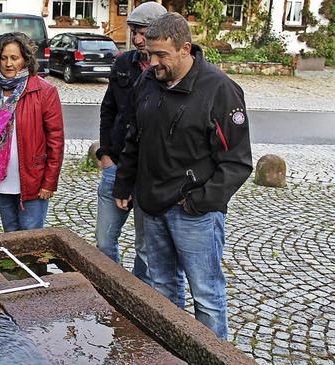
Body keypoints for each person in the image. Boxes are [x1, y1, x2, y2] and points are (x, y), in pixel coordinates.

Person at [113, 12, 253, 339]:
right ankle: (174, 351)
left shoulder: (220, 90)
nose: (153, 62)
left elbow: (237, 162)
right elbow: (135, 136)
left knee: (206, 295)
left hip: (194, 213)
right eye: (149, 54)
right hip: (152, 204)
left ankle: (214, 357)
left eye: (162, 55)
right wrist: (124, 182)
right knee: (163, 287)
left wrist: (200, 203)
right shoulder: (148, 82)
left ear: (185, 49)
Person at [96, 1, 166, 285]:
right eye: (134, 32)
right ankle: (113, 289)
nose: (137, 39)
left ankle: (139, 298)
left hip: (148, 174)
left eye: (143, 32)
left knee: (146, 252)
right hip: (116, 164)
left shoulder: (167, 69)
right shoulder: (124, 63)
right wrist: (104, 155)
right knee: (103, 242)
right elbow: (108, 108)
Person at [0, 32, 64, 232]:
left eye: (14, 58)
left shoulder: (44, 91)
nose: (8, 63)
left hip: (32, 179)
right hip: (2, 178)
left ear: (25, 59)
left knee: (31, 239)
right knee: (9, 236)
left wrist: (49, 182)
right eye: (4, 58)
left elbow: (56, 140)